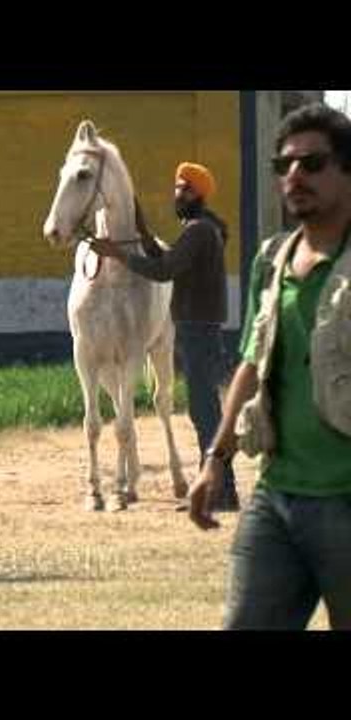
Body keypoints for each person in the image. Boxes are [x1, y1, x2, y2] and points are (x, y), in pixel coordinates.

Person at [188, 102, 351, 630]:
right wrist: (216, 460)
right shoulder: (271, 261)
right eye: (284, 166)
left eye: (313, 163)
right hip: (276, 498)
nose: (295, 176)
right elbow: (251, 364)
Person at [90, 162, 239, 511]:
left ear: (199, 195)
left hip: (199, 330)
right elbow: (168, 259)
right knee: (205, 412)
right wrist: (141, 230)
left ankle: (221, 491)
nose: (178, 194)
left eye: (185, 189)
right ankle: (219, 490)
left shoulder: (199, 231)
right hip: (198, 329)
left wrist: (118, 254)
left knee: (205, 414)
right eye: (176, 187)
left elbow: (164, 270)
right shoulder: (198, 229)